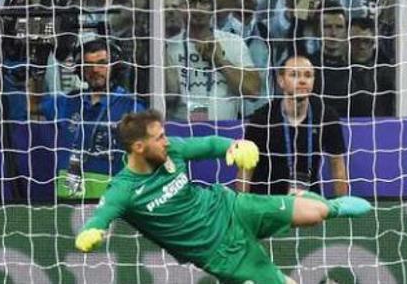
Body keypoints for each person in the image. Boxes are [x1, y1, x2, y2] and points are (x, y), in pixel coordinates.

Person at [74, 110, 371, 284]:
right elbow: (103, 215)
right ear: (139, 147)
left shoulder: (172, 150)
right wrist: (91, 232)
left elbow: (210, 144)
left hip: (232, 206)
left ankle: (331, 206)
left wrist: (235, 146)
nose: (166, 140)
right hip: (220, 252)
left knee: (315, 214)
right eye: (159, 137)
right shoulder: (123, 190)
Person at [30, 39, 147, 199]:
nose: (94, 70)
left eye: (102, 63)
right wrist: (38, 69)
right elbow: (30, 106)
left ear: (115, 67)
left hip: (113, 202)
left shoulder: (131, 107)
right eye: (88, 65)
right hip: (69, 199)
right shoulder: (69, 101)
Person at [245, 56, 351, 196]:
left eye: (308, 75)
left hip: (308, 199)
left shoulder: (326, 116)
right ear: (281, 81)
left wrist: (342, 208)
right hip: (268, 201)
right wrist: (242, 208)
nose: (302, 80)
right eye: (294, 75)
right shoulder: (261, 119)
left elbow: (337, 166)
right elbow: (246, 170)